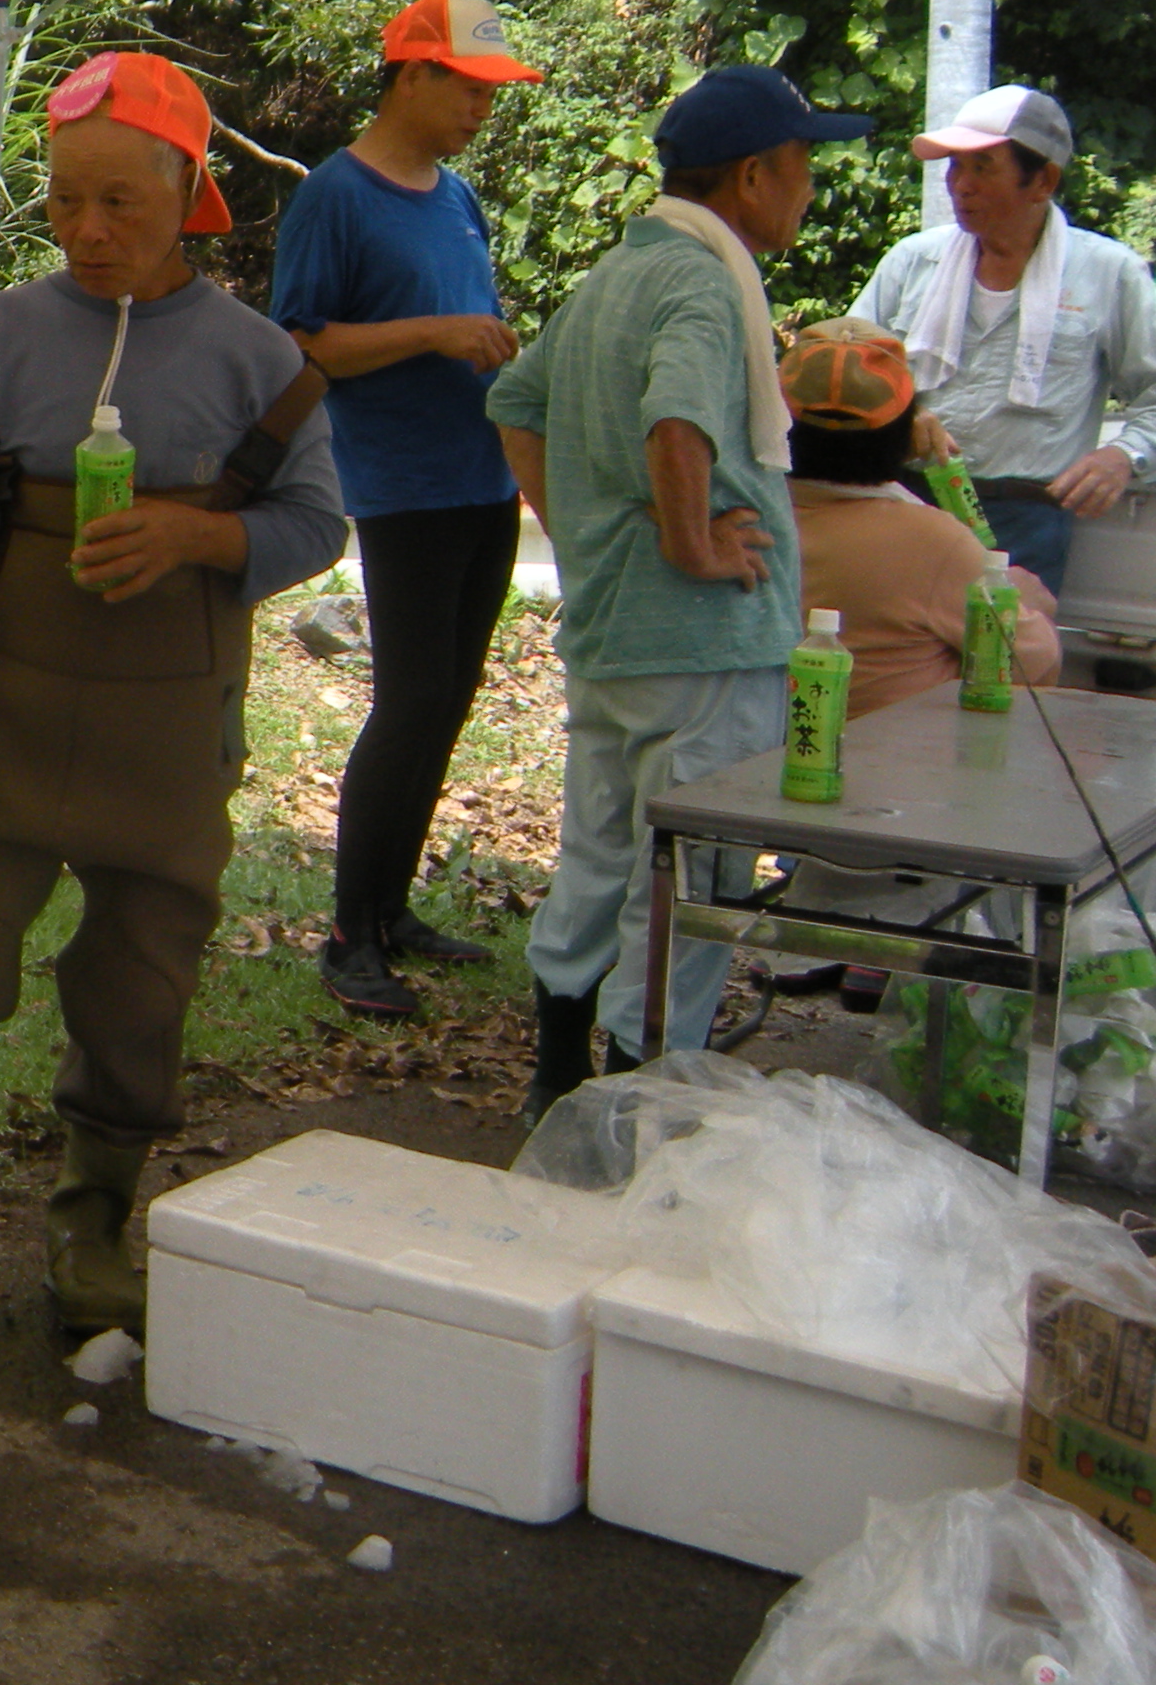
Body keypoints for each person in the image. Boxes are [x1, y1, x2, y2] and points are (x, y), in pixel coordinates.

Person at [0, 53, 346, 1349]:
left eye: (122, 202)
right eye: (64, 202)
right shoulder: (2, 337)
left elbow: (316, 524)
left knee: (141, 981)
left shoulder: (259, 361)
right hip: (6, 711)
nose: (90, 231)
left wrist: (199, 537)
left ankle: (94, 1224)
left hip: (165, 733)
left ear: (188, 191)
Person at [487, 64, 875, 1112]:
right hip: (703, 643)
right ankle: (640, 1101)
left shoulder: (621, 271)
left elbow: (515, 401)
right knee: (691, 880)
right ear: (752, 176)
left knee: (598, 855)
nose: (809, 189)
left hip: (617, 631)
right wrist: (693, 542)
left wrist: (587, 528)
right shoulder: (704, 284)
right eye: (801, 165)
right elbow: (677, 419)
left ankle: (558, 1082)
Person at [268, 0, 539, 1020]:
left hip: (483, 479)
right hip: (403, 485)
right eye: (470, 88)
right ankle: (349, 933)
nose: (483, 109)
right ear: (412, 75)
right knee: (411, 699)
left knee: (450, 698)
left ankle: (392, 907)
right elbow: (302, 342)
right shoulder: (336, 197)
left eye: (492, 92)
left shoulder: (457, 195)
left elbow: (471, 322)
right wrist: (435, 332)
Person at [847, 84, 1156, 594]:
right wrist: (897, 416)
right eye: (954, 166)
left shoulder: (1109, 273)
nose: (960, 185)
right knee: (891, 643)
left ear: (1043, 180)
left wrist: (1123, 455)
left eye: (982, 167)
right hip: (903, 502)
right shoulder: (913, 261)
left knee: (1005, 644)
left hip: (1027, 522)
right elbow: (844, 367)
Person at [780, 321, 1060, 718]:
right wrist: (1028, 601)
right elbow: (1030, 662)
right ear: (908, 428)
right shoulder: (933, 541)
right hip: (892, 749)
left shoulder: (739, 513)